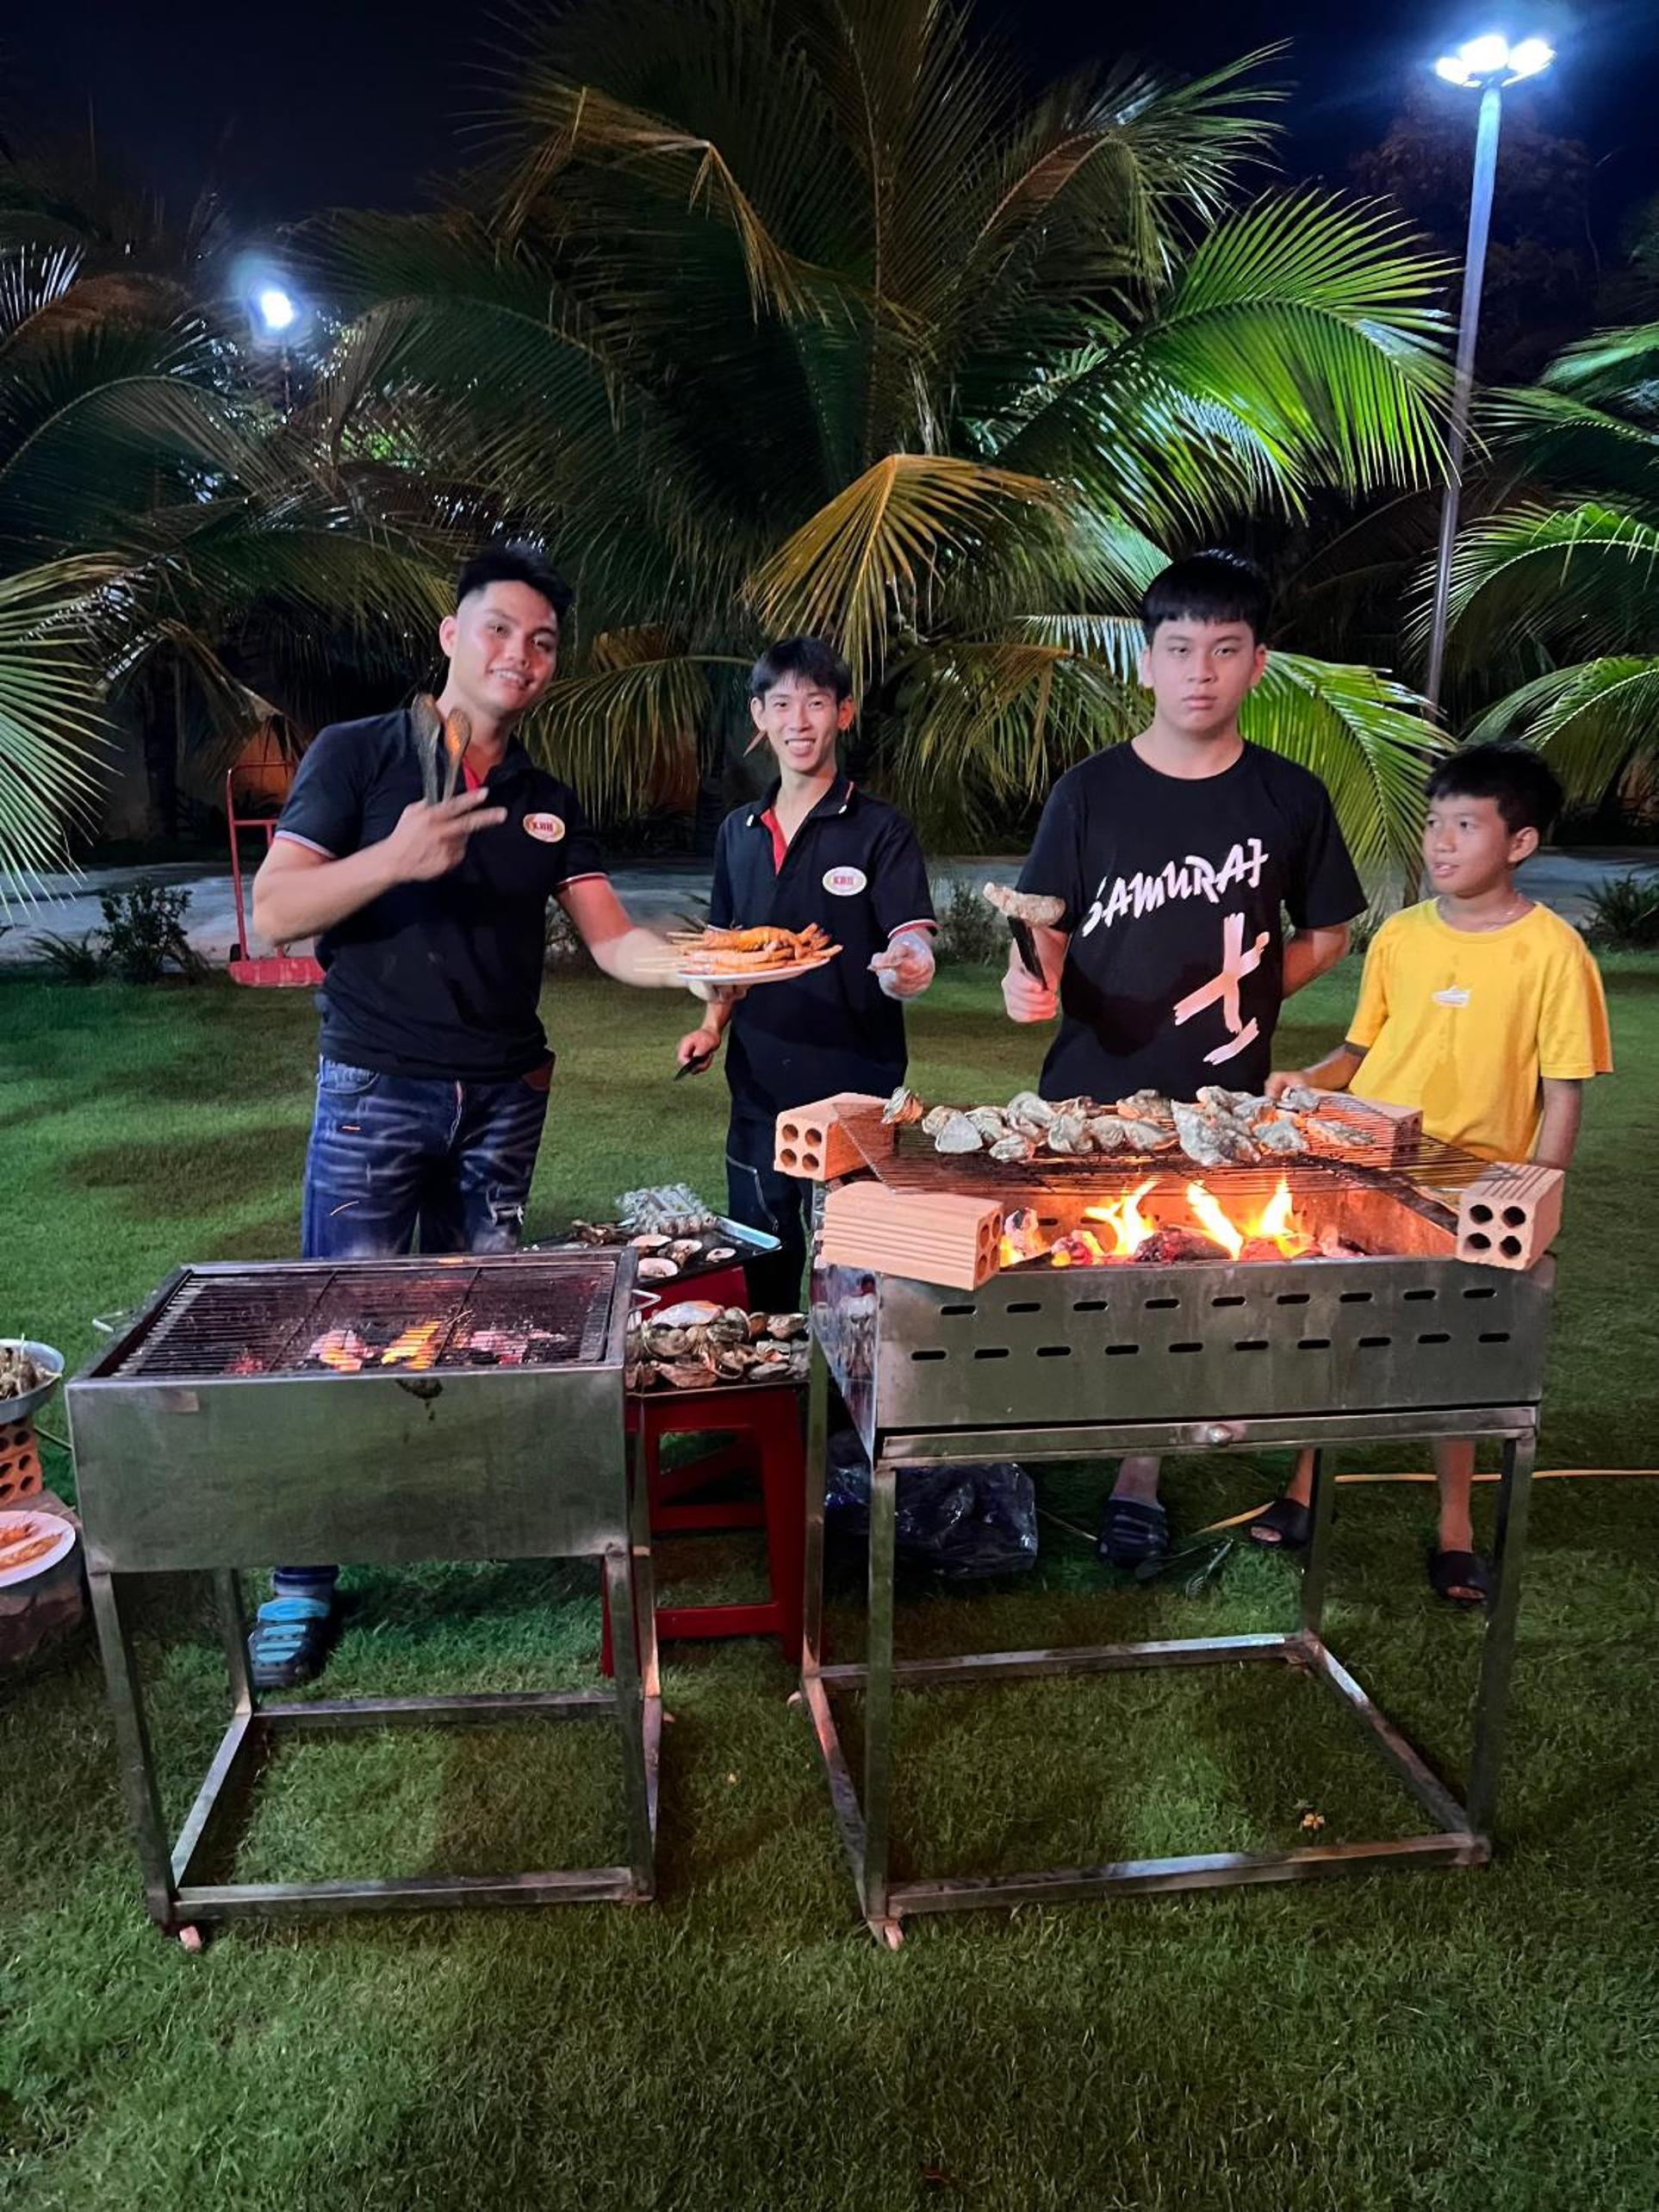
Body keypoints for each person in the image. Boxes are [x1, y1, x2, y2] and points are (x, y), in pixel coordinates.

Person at [247, 539, 701, 1686]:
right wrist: (393, 859)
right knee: (338, 1329)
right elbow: (276, 910)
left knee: (481, 1322)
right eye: (500, 629)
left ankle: (471, 1509)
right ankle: (301, 1579)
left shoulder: (542, 800)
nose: (521, 655)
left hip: (503, 1100)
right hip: (377, 1087)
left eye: (542, 642)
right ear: (452, 635)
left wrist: (711, 966)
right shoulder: (358, 754)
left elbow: (613, 941)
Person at [1003, 549, 1364, 1566]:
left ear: (1258, 663)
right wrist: (1028, 983)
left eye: (1225, 650)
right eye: (1178, 649)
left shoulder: (1289, 798)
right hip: (1087, 1091)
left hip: (1218, 1099)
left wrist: (1252, 993)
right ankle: (1026, 1441)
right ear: (1146, 661)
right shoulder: (1089, 793)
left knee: (1180, 1286)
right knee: (1062, 1274)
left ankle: (1140, 1473)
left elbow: (1329, 933)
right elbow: (1043, 925)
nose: (1199, 672)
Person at [1255, 742, 1612, 1603]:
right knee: (1337, 1329)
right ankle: (1305, 1487)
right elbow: (1359, 1052)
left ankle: (1456, 1528)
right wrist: (1307, 1078)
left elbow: (1563, 1092)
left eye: (1465, 825)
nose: (1441, 843)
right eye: (1433, 823)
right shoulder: (1402, 937)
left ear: (1519, 843)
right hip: (1367, 1172)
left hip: (1472, 1193)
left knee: (1456, 1355)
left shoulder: (1554, 952)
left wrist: (1535, 1192)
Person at [676, 636, 936, 1312]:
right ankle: (774, 1375)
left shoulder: (879, 829)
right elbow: (728, 950)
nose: (799, 721)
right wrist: (711, 1025)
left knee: (853, 1279)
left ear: (842, 714)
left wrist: (909, 965)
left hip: (855, 1093)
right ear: (759, 715)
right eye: (783, 704)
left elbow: (909, 936)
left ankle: (847, 1382)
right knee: (764, 1265)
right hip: (759, 1090)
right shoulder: (739, 831)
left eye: (816, 703)